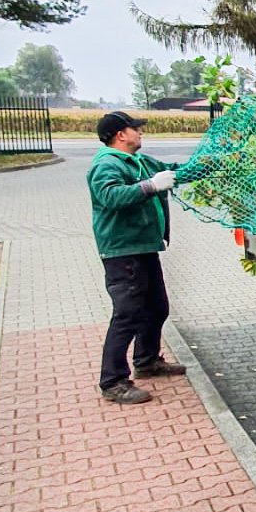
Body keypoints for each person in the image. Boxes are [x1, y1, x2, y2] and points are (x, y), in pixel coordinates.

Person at [88, 110, 193, 403]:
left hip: (145, 247)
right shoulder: (106, 165)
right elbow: (111, 197)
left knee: (157, 308)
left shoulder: (140, 161)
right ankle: (113, 382)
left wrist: (211, 164)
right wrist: (150, 186)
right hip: (123, 252)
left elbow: (173, 171)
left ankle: (147, 362)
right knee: (127, 315)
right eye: (136, 128)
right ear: (120, 134)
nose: (140, 132)